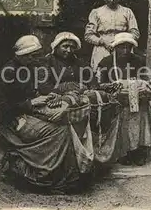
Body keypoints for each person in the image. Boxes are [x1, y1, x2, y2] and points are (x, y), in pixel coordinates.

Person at [0, 35, 94, 194]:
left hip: (27, 112)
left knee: (63, 119)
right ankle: (46, 179)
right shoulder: (9, 72)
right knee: (60, 131)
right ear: (23, 55)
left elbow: (32, 91)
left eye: (36, 56)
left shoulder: (27, 68)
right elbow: (1, 108)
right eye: (32, 56)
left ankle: (66, 177)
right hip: (13, 120)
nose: (35, 59)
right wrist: (30, 103)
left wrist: (46, 97)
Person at [45, 32, 122, 167]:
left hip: (80, 97)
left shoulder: (79, 62)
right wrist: (60, 90)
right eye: (65, 46)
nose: (69, 50)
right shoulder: (47, 61)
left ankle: (95, 155)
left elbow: (92, 81)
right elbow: (43, 85)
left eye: (72, 47)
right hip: (57, 98)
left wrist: (88, 88)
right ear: (56, 46)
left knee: (103, 102)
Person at [97, 33, 151, 166]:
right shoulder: (106, 62)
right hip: (115, 97)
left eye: (129, 47)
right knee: (124, 112)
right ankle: (123, 151)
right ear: (115, 48)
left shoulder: (138, 60)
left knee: (141, 110)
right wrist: (112, 86)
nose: (126, 51)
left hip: (135, 97)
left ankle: (138, 150)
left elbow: (145, 79)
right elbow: (99, 84)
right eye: (122, 47)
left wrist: (140, 86)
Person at [85, 0, 140, 71]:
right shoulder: (96, 12)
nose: (112, 0)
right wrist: (102, 41)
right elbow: (88, 35)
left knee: (124, 74)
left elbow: (135, 32)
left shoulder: (127, 12)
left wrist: (123, 41)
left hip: (123, 49)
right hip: (103, 48)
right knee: (102, 73)